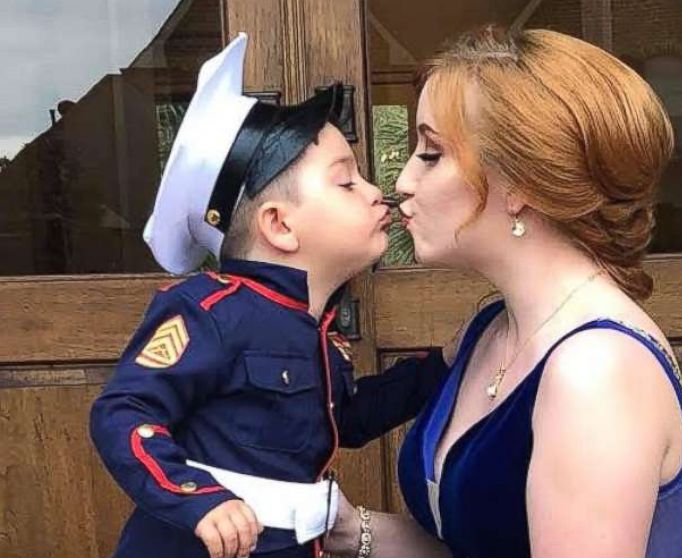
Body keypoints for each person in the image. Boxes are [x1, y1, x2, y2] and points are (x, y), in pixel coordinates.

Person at [326, 26, 682, 558]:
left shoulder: (595, 371)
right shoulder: (491, 330)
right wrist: (346, 528)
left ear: (522, 183)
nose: (404, 180)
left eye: (431, 154)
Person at [90, 34, 450, 558]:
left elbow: (344, 420)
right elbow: (122, 410)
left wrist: (441, 365)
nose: (378, 191)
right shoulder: (210, 311)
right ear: (279, 225)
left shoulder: (313, 327)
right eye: (347, 182)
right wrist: (196, 499)